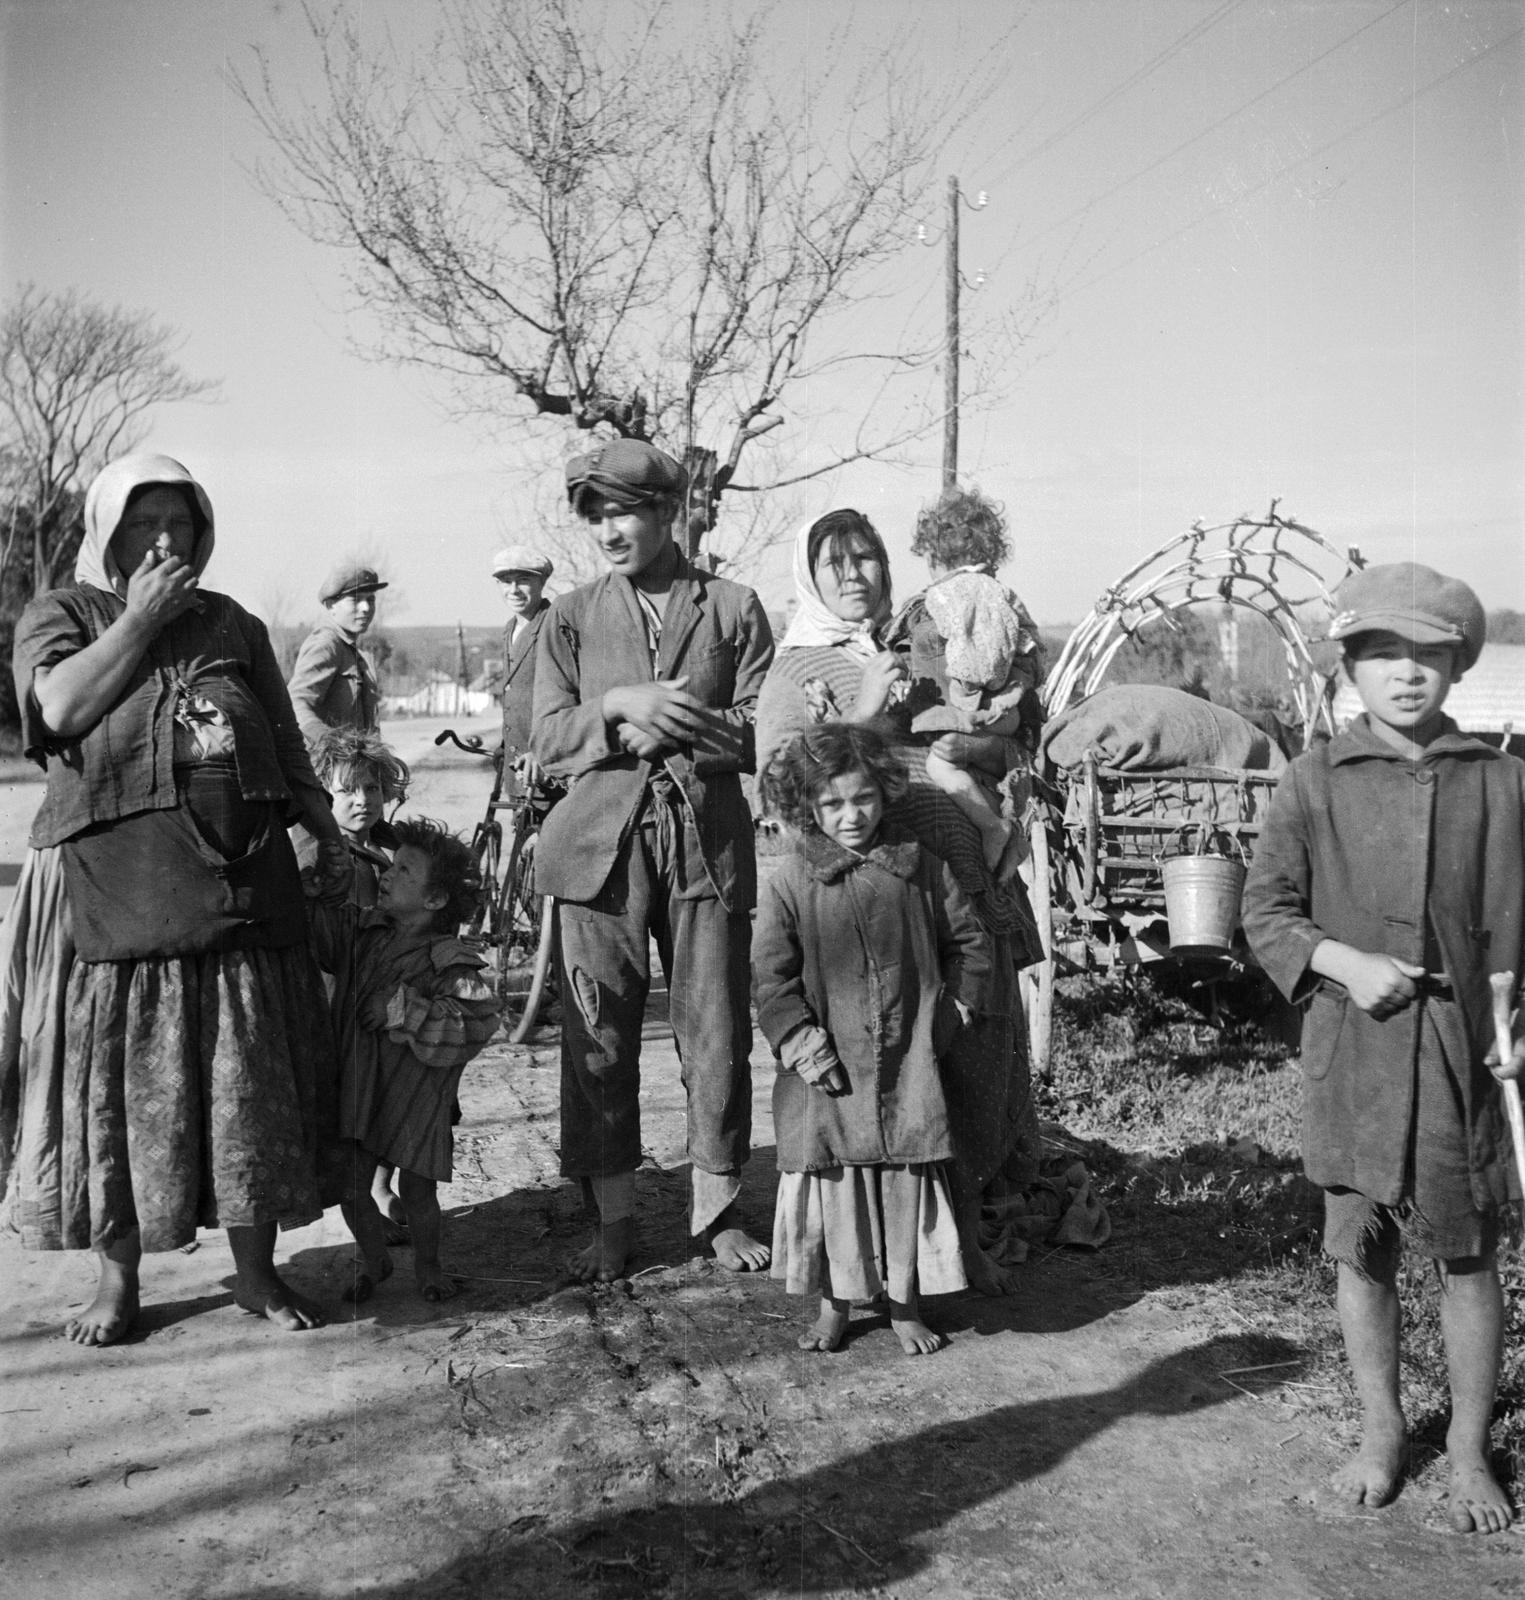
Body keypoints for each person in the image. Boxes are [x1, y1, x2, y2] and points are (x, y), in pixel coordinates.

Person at [3, 452, 348, 1344]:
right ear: (106, 531)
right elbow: (60, 710)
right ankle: (118, 1283)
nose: (165, 540)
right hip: (127, 890)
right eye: (143, 522)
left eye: (182, 524)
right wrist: (140, 620)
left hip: (243, 879)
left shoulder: (233, 621)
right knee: (123, 1093)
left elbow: (285, 740)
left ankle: (256, 1272)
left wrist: (327, 834)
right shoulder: (63, 615)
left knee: (248, 1089)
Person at [1242, 562, 1525, 1535]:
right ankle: (1381, 1428)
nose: (1405, 673)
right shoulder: (1313, 781)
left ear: (1454, 667)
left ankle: (1467, 1444)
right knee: (1361, 1253)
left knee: (1468, 1252)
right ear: (1349, 667)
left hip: (1465, 1060)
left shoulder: (1501, 782)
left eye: (1427, 656)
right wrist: (1339, 962)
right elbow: (1264, 909)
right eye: (1381, 654)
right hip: (1354, 1055)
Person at [755, 508, 1044, 1297]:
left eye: (867, 558)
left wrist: (979, 740)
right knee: (896, 1064)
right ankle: (886, 1258)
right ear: (808, 577)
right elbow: (777, 784)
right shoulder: (794, 671)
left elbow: (1001, 736)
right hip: (866, 910)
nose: (854, 574)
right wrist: (864, 714)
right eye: (834, 562)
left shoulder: (924, 644)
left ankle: (971, 1223)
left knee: (980, 1043)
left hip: (953, 883)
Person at [532, 438, 775, 1282]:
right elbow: (545, 737)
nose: (609, 530)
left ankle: (715, 1212)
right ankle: (614, 1219)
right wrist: (615, 707)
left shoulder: (735, 607)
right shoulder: (568, 616)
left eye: (625, 511)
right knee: (598, 1033)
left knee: (714, 1028)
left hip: (706, 846)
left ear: (670, 512)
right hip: (598, 852)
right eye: (595, 515)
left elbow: (760, 728)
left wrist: (673, 729)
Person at [754, 723, 989, 1355]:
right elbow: (770, 980)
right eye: (831, 805)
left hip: (910, 1062)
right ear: (808, 808)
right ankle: (835, 1306)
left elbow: (969, 945)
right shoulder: (789, 883)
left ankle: (905, 1305)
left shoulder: (921, 871)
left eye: (862, 799)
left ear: (883, 794)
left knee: (906, 1178)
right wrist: (803, 1044)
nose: (850, 816)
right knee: (836, 1185)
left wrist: (950, 1016)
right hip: (829, 1075)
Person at [307, 817, 500, 1304]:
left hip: (416, 1096)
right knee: (352, 1182)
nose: (387, 876)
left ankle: (430, 1267)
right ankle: (375, 1259)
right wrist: (321, 897)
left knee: (418, 1191)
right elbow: (324, 941)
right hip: (358, 1082)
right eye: (391, 867)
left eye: (404, 871)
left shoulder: (448, 959)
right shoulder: (365, 930)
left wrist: (402, 1011)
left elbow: (476, 1021)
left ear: (435, 901)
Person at [891, 485, 1045, 876]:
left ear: (932, 554)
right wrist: (1010, 691)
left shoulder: (939, 599)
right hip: (1004, 714)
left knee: (943, 760)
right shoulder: (1004, 596)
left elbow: (916, 648)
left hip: (962, 713)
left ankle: (992, 827)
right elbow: (1032, 653)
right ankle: (1011, 832)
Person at [303, 726, 413, 1236]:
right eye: (346, 791)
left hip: (390, 993)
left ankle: (381, 1188)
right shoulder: (324, 857)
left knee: (393, 1097)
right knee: (354, 1107)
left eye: (370, 788)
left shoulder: (389, 848)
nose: (362, 800)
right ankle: (365, 1212)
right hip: (343, 1001)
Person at [286, 561, 387, 747]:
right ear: (331, 605)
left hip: (352, 768)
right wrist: (331, 742)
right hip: (327, 768)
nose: (366, 608)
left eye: (370, 599)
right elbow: (296, 702)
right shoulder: (326, 644)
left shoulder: (350, 648)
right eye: (356, 600)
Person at [493, 544, 554, 788]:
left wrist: (545, 752)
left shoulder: (555, 626)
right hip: (517, 771)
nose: (514, 590)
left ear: (542, 582)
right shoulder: (509, 630)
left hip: (546, 769)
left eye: (523, 580)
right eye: (506, 582)